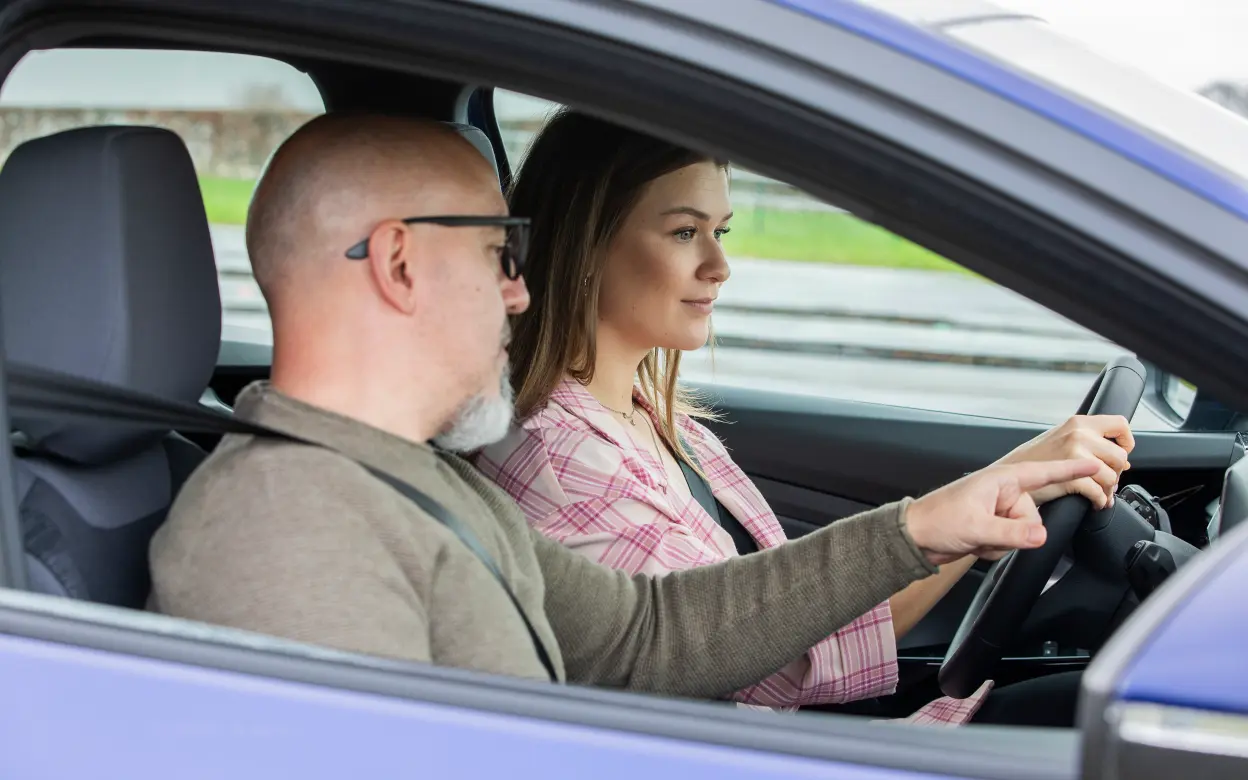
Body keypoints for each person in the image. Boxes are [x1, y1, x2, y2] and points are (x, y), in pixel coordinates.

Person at [148, 113, 1102, 707]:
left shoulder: (410, 478)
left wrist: (918, 530)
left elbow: (648, 635)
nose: (520, 292)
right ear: (401, 263)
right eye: (497, 254)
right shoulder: (287, 527)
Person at [474, 109, 1134, 725]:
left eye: (720, 232)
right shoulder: (563, 462)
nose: (720, 266)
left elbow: (800, 617)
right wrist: (958, 513)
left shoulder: (655, 422)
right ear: (587, 243)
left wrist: (997, 492)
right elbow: (774, 658)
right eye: (684, 232)